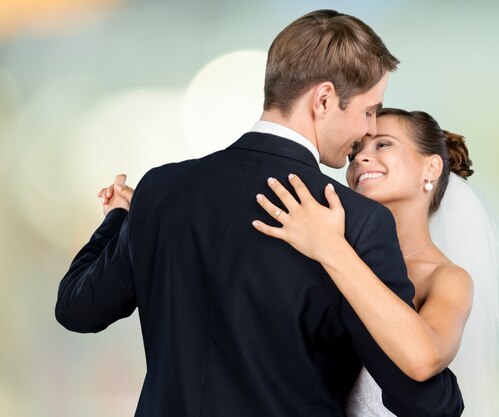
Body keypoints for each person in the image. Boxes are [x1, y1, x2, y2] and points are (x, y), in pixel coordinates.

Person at [55, 10, 463, 417]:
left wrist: (118, 219)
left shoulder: (161, 189)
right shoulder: (353, 219)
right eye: (369, 110)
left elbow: (77, 309)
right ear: (323, 100)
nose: (368, 129)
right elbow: (425, 403)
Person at [252, 108, 499, 417]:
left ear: (431, 167)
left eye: (382, 144)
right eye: (355, 153)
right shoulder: (326, 254)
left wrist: (330, 249)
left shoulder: (446, 279)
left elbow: (424, 359)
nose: (361, 159)